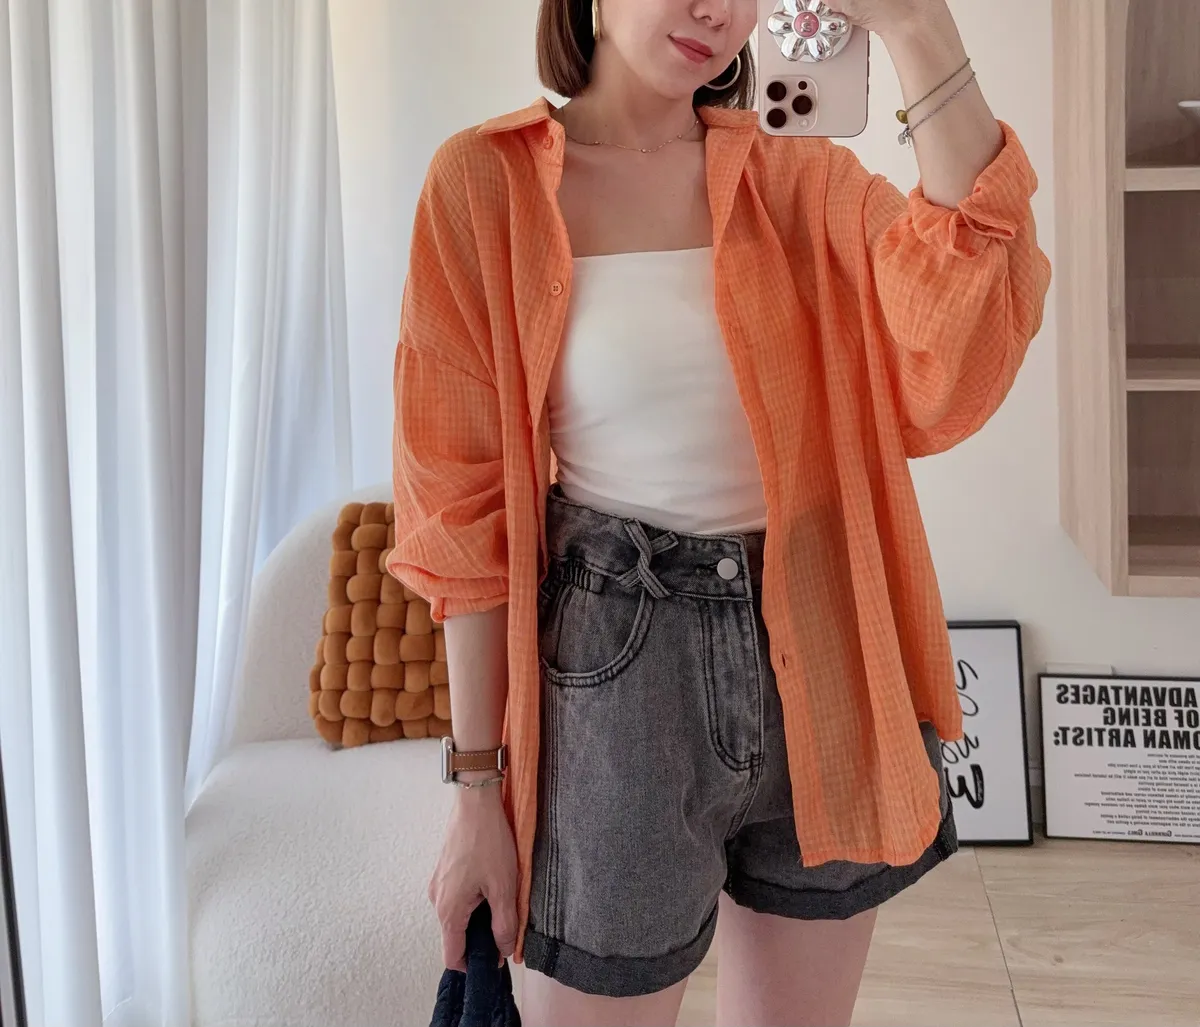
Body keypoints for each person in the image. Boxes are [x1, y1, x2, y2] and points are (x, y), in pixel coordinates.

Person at [388, 0, 1050, 1023]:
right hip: (617, 680)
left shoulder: (802, 181)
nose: (717, 10)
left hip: (824, 654)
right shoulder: (487, 182)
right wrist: (477, 793)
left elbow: (957, 341)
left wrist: (920, 28)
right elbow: (461, 517)